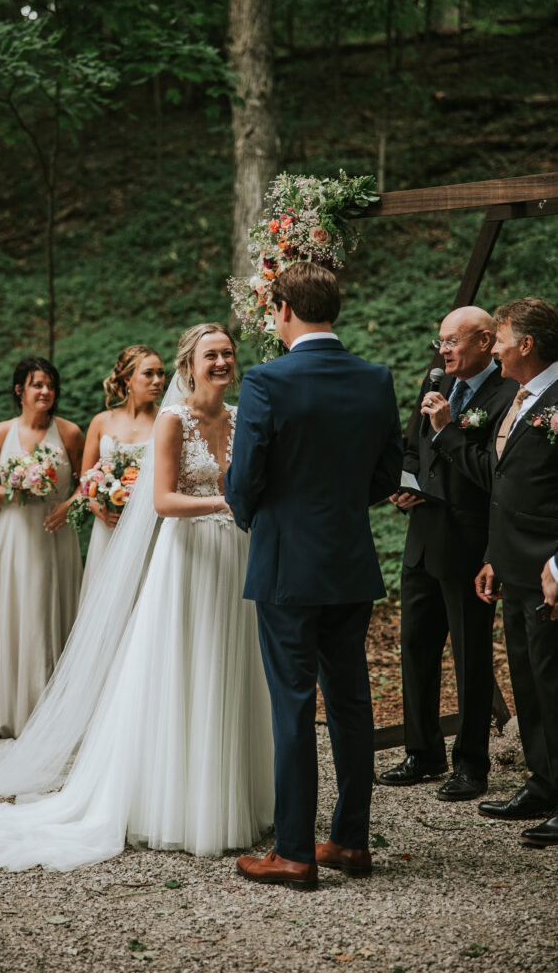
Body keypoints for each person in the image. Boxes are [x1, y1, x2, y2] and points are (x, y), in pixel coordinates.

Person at [0, 324, 273, 871]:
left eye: (227, 354)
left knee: (231, 664)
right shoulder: (173, 421)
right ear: (187, 365)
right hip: (187, 556)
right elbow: (165, 500)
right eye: (210, 355)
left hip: (233, 555)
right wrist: (227, 503)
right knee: (182, 665)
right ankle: (175, 803)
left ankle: (233, 796)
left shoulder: (243, 417)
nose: (221, 362)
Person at [225, 261, 403, 890]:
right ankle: (351, 841)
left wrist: (257, 517)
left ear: (282, 310)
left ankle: (295, 852)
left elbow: (243, 480)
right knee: (352, 702)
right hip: (351, 562)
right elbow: (389, 473)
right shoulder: (375, 379)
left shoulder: (266, 380)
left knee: (294, 705)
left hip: (286, 567)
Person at [428, 297, 558, 846]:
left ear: (525, 344)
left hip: (550, 569)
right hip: (513, 562)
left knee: (555, 683)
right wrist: (493, 556)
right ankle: (544, 782)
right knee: (529, 679)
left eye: (500, 339)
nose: (497, 348)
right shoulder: (523, 400)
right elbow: (504, 479)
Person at [378, 307, 516, 801]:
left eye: (453, 342)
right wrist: (404, 482)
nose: (444, 351)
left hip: (469, 544)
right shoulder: (433, 381)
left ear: (484, 341)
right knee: (415, 647)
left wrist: (447, 428)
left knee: (471, 656)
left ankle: (471, 764)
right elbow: (412, 445)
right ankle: (423, 752)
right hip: (422, 537)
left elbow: (495, 476)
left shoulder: (507, 393)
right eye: (441, 341)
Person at [0, 357, 84, 738]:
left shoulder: (70, 432)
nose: (45, 391)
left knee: (51, 611)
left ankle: (55, 712)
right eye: (37, 384)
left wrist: (68, 506)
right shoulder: (0, 433)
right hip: (15, 533)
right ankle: (16, 710)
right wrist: (15, 488)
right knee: (19, 611)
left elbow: (85, 482)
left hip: (54, 532)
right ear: (19, 390)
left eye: (50, 385)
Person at [76, 345, 164, 603]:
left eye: (161, 373)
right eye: (148, 374)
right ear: (128, 379)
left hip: (150, 528)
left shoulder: (168, 420)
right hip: (108, 528)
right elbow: (85, 482)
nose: (158, 380)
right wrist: (96, 506)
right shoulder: (102, 422)